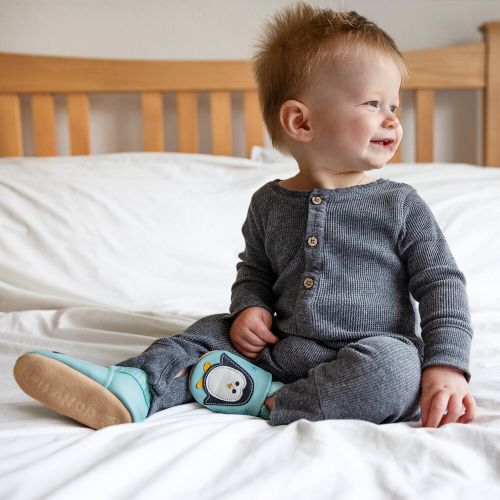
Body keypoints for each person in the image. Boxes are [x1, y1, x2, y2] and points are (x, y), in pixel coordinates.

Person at [13, 3, 476, 430]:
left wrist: (446, 366)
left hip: (367, 354)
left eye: (394, 105)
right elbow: (255, 270)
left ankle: (269, 401)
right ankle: (135, 386)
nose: (393, 119)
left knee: (396, 373)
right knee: (206, 332)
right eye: (373, 104)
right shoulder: (269, 203)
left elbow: (441, 284)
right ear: (301, 122)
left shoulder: (399, 204)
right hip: (280, 347)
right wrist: (249, 308)